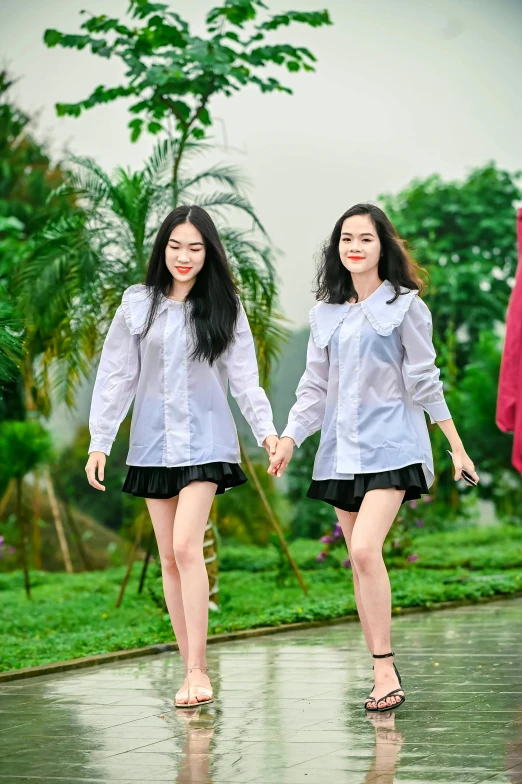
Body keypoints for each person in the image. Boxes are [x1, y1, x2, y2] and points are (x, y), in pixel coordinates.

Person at [268, 203, 479, 712]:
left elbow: (425, 380)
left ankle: (385, 667)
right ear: (337, 250)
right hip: (341, 455)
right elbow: (315, 387)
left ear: (382, 245)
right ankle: (378, 669)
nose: (354, 246)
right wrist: (292, 437)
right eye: (345, 239)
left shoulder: (406, 307)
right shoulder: (326, 316)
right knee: (360, 564)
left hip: (393, 445)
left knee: (364, 549)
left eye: (364, 237)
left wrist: (455, 446)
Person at [86, 205, 278, 707]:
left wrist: (267, 434)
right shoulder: (137, 305)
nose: (184, 257)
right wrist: (100, 440)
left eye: (195, 247)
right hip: (151, 444)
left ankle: (198, 670)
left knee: (187, 546)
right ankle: (185, 665)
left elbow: (245, 380)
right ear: (162, 249)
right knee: (169, 556)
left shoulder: (224, 307)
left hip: (206, 442)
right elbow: (117, 375)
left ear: (209, 252)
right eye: (175, 246)